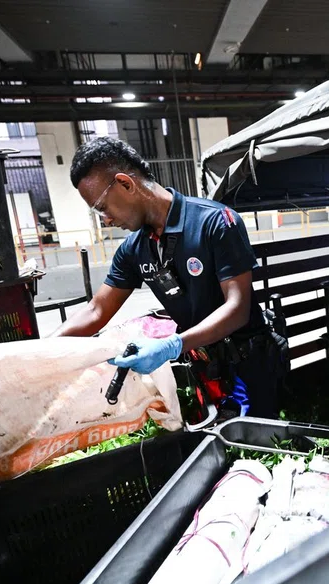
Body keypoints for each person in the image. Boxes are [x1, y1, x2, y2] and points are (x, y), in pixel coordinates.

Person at [52, 137, 283, 417]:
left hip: (248, 364)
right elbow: (97, 309)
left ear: (126, 183)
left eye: (102, 207)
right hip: (203, 363)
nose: (106, 220)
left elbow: (237, 309)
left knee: (258, 444)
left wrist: (173, 345)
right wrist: (39, 352)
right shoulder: (134, 249)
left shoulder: (215, 222)